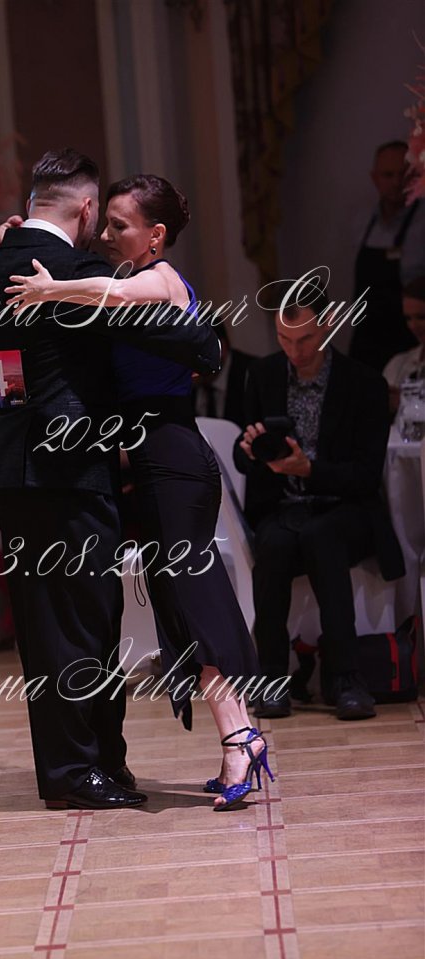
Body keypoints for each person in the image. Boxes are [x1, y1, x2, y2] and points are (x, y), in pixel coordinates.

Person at [0, 150, 221, 811]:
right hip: (69, 467)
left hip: (12, 468)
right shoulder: (79, 272)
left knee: (53, 622)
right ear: (84, 207)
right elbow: (187, 344)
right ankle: (78, 772)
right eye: (99, 217)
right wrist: (202, 347)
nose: (103, 232)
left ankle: (97, 762)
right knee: (82, 622)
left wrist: (7, 249)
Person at [5, 173, 271, 811]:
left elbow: (110, 293)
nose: (105, 233)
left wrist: (49, 288)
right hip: (146, 467)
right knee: (178, 605)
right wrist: (17, 243)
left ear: (155, 235)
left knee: (194, 595)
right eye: (105, 222)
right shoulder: (124, 276)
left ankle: (241, 736)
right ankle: (240, 737)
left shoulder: (163, 279)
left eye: (119, 225)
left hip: (175, 461)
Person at [233, 289, 405, 721]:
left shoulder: (364, 383)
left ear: (328, 326)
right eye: (284, 339)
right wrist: (251, 448)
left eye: (305, 339)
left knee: (321, 536)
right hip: (284, 506)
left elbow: (365, 476)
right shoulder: (263, 375)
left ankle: (345, 678)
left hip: (346, 507)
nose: (295, 351)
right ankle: (271, 680)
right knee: (273, 544)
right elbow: (243, 454)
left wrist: (308, 469)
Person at [349, 141, 425, 371]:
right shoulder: (363, 222)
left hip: (408, 339)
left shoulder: (422, 222)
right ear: (375, 178)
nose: (396, 182)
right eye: (388, 175)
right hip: (366, 340)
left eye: (403, 174)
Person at [383, 276, 425, 416]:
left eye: (421, 317)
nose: (413, 326)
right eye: (408, 318)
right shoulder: (398, 363)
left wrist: (406, 403)